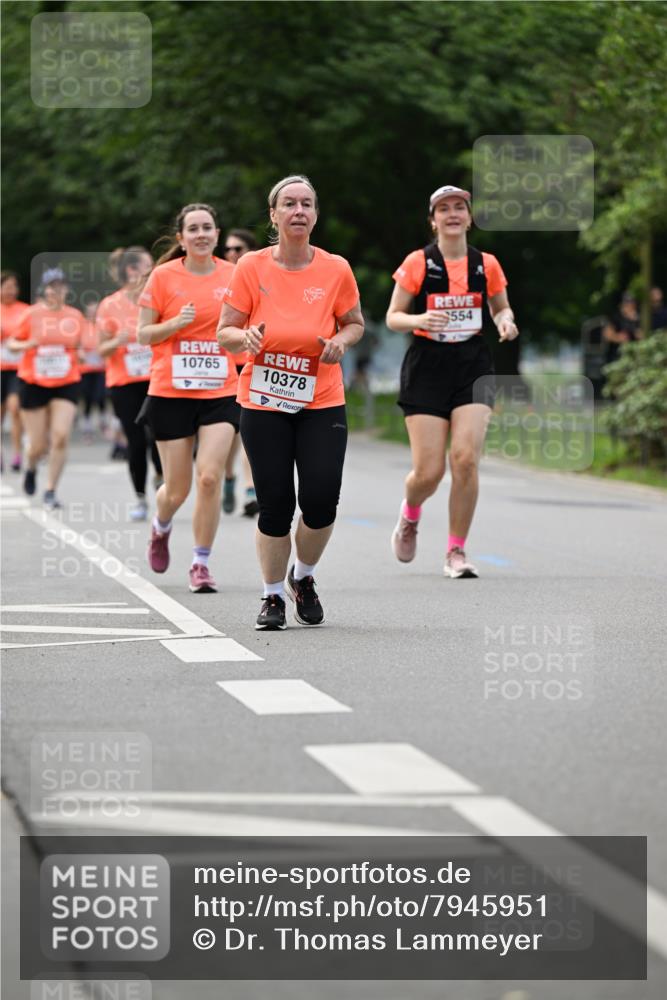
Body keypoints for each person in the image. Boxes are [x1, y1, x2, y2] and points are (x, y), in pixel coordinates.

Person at [217, 175, 364, 630]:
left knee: (321, 501)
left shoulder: (336, 268)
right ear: (274, 215)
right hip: (263, 400)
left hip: (321, 398)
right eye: (289, 204)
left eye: (307, 204)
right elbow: (225, 330)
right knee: (275, 505)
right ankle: (272, 596)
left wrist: (341, 340)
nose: (299, 210)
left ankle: (304, 577)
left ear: (315, 215)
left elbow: (354, 323)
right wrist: (246, 337)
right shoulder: (251, 267)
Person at [386, 184, 518, 579]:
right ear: (434, 220)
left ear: (470, 217)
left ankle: (455, 551)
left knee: (464, 459)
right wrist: (419, 320)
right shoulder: (418, 262)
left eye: (460, 207)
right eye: (444, 209)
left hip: (472, 365)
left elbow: (501, 306)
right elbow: (393, 316)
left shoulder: (486, 264)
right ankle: (410, 514)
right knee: (429, 472)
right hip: (427, 366)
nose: (453, 214)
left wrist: (506, 321)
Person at [137, 203, 239, 593]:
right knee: (176, 489)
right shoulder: (163, 277)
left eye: (207, 228)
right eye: (193, 229)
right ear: (181, 238)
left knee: (210, 477)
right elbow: (143, 334)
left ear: (217, 234)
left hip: (220, 389)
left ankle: (200, 562)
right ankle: (160, 527)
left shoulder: (234, 274)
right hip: (171, 390)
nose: (201, 234)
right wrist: (175, 325)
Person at [9, 267, 84, 509]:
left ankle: (51, 489)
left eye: (61, 286)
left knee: (61, 436)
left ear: (67, 290)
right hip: (34, 382)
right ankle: (31, 467)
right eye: (52, 286)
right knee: (38, 445)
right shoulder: (31, 315)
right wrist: (26, 344)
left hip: (66, 381)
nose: (57, 291)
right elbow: (11, 343)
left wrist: (82, 353)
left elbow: (84, 344)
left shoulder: (74, 316)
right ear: (44, 289)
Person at [97, 246, 162, 521]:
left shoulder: (158, 299)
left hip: (157, 378)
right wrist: (118, 341)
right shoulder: (110, 304)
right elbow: (101, 350)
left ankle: (161, 479)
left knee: (161, 437)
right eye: (146, 266)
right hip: (124, 383)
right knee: (136, 441)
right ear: (132, 270)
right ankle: (140, 498)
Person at [220, 228, 259, 517]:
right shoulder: (218, 278)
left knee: (248, 431)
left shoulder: (259, 276)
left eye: (239, 248)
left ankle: (249, 488)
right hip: (222, 366)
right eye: (229, 249)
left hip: (252, 363)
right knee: (230, 435)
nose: (232, 254)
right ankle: (229, 477)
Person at [1, 271, 30, 472]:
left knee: (14, 409)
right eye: (7, 286)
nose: (11, 291)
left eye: (14, 286)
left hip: (18, 369)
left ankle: (17, 453)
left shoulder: (26, 310)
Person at [79, 301, 107, 438]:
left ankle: (103, 420)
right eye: (90, 311)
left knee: (101, 395)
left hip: (101, 367)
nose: (93, 314)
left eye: (95, 311)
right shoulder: (81, 326)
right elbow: (76, 343)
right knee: (88, 396)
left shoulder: (103, 325)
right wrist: (81, 353)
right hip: (86, 368)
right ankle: (87, 423)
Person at [603, 292, 641, 366]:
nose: (630, 305)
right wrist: (617, 337)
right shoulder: (616, 317)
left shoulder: (639, 318)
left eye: (632, 302)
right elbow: (607, 335)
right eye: (628, 302)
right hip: (617, 356)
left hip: (634, 356)